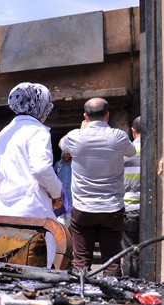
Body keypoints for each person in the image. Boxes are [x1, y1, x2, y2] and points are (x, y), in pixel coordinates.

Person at [59, 98, 135, 276]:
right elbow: (131, 152)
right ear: (107, 116)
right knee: (112, 261)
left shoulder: (76, 136)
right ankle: (112, 298)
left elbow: (61, 144)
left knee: (81, 260)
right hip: (112, 208)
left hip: (83, 209)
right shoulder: (118, 136)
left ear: (85, 116)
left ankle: (81, 297)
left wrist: (81, 128)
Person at [0, 82, 63, 268]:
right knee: (35, 266)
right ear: (41, 106)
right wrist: (57, 193)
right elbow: (41, 169)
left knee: (8, 266)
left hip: (3, 210)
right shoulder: (37, 131)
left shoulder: (4, 133)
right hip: (32, 212)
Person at [122, 116, 142, 276]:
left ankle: (131, 287)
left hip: (129, 208)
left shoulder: (125, 153)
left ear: (133, 131)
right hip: (150, 211)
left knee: (130, 252)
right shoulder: (157, 150)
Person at [54, 151, 73, 227]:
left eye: (68, 154)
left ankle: (67, 234)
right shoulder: (58, 164)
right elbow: (53, 177)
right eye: (64, 154)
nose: (66, 156)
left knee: (69, 216)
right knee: (60, 216)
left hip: (71, 195)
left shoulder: (75, 165)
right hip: (60, 195)